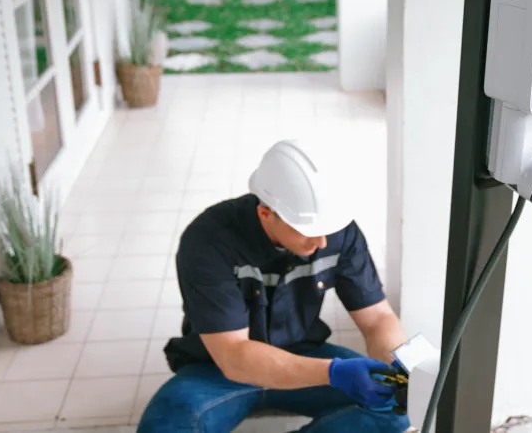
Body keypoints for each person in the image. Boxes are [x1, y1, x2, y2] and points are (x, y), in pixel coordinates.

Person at [138, 140, 411, 433]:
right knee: (163, 427)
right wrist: (334, 373)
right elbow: (234, 355)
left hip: (304, 355)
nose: (322, 242)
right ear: (266, 214)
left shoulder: (339, 233)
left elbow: (378, 318)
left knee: (395, 410)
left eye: (327, 229)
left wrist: (396, 367)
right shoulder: (208, 240)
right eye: (308, 230)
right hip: (219, 369)